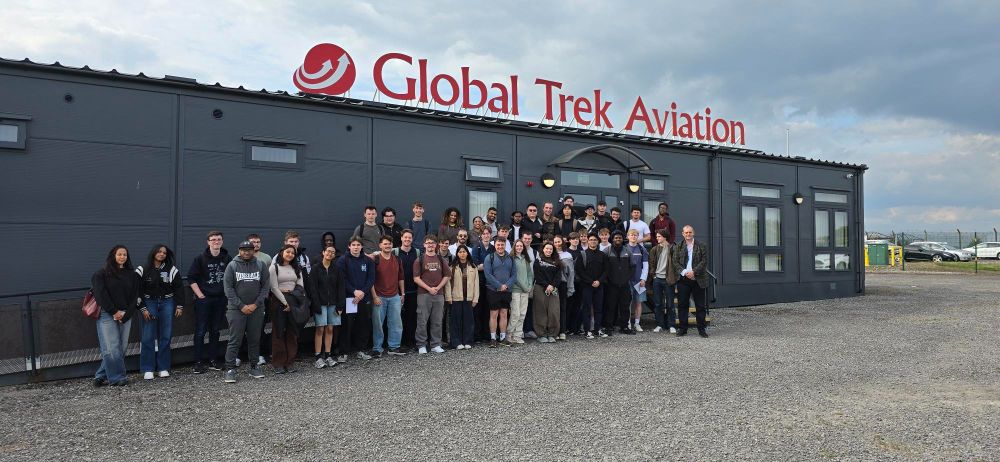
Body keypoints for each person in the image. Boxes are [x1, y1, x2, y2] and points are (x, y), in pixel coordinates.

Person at [92, 245, 140, 387]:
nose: (122, 257)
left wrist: (126, 314)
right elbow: (100, 295)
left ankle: (101, 375)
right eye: (119, 254)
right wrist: (114, 312)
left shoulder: (132, 275)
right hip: (107, 314)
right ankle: (117, 378)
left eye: (125, 254)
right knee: (112, 347)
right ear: (113, 256)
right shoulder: (101, 274)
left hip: (126, 314)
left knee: (121, 348)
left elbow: (135, 296)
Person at [221, 240, 269, 383]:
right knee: (235, 340)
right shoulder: (232, 265)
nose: (246, 252)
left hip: (256, 309)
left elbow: (265, 287)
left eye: (249, 249)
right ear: (239, 250)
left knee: (254, 339)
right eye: (243, 250)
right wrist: (241, 305)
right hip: (236, 309)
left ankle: (254, 366)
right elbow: (228, 289)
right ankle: (230, 369)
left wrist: (255, 304)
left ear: (254, 250)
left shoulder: (260, 265)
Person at [135, 244, 184, 380]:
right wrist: (143, 308)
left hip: (167, 302)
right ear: (153, 252)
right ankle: (148, 368)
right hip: (148, 302)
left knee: (166, 335)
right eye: (159, 251)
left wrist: (179, 306)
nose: (162, 254)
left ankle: (163, 367)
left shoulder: (172, 270)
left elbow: (179, 288)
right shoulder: (142, 269)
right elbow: (136, 290)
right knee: (148, 336)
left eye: (164, 252)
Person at [187, 230, 231, 374]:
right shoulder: (200, 258)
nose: (216, 242)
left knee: (215, 330)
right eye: (213, 239)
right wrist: (200, 295)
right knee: (200, 331)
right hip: (204, 300)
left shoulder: (227, 258)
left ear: (222, 241)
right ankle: (198, 362)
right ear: (208, 242)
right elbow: (191, 278)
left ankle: (213, 360)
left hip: (220, 299)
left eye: (219, 239)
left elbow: (231, 277)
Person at [335, 237, 377, 360]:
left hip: (363, 297)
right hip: (349, 299)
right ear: (349, 246)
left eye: (358, 245)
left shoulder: (368, 261)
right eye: (353, 245)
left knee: (363, 324)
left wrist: (362, 292)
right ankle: (344, 352)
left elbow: (371, 278)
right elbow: (342, 279)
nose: (356, 247)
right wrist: (354, 291)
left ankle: (361, 350)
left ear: (362, 246)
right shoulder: (343, 260)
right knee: (347, 325)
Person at [269, 245, 305, 373]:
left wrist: (292, 296)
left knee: (292, 332)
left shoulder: (296, 268)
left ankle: (290, 362)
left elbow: (300, 286)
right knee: (279, 331)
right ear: (282, 252)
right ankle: (279, 363)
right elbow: (274, 287)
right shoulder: (274, 268)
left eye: (292, 253)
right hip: (278, 302)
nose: (290, 254)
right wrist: (285, 302)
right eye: (287, 252)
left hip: (293, 300)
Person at [413, 234, 451, 354]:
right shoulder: (419, 260)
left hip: (439, 294)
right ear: (424, 245)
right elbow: (416, 278)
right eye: (428, 243)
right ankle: (421, 345)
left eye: (432, 243)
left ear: (436, 245)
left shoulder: (441, 259)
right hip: (423, 294)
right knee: (422, 320)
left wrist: (438, 288)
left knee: (437, 320)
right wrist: (429, 289)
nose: (430, 245)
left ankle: (436, 344)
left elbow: (447, 275)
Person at [307, 244, 343, 368]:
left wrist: (340, 305)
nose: (330, 253)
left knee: (330, 329)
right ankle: (318, 357)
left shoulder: (337, 269)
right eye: (328, 251)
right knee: (320, 329)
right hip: (320, 304)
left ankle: (328, 355)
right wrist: (316, 304)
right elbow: (312, 288)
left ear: (334, 255)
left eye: (332, 252)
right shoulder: (315, 268)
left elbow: (340, 287)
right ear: (323, 252)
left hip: (333, 304)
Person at [670, 225, 710, 338]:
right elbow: (675, 262)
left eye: (690, 232)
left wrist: (694, 272)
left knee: (700, 306)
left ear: (693, 233)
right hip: (683, 279)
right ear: (683, 234)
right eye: (686, 232)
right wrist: (684, 272)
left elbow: (704, 261)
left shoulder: (701, 245)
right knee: (682, 305)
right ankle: (683, 329)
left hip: (698, 279)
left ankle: (702, 329)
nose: (688, 234)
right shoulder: (678, 246)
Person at [371, 236, 406, 358]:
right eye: (385, 244)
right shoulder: (375, 259)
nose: (388, 246)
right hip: (379, 296)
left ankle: (394, 347)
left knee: (396, 324)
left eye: (389, 244)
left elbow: (401, 278)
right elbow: (370, 280)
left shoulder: (397, 259)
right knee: (378, 324)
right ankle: (377, 348)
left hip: (395, 296)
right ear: (380, 245)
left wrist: (402, 294)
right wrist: (374, 296)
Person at [483, 236, 515, 347]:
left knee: (504, 314)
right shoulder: (489, 257)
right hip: (493, 290)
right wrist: (499, 285)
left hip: (506, 290)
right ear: (495, 245)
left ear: (505, 245)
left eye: (502, 244)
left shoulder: (510, 258)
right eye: (498, 244)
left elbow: (514, 274)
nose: (500, 246)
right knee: (494, 314)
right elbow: (488, 274)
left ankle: (502, 337)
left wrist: (507, 285)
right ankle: (493, 338)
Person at [445, 245, 479, 350]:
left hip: (469, 297)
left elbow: (476, 283)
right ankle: (456, 342)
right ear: (457, 254)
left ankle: (468, 341)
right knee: (456, 321)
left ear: (467, 253)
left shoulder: (473, 266)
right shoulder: (452, 266)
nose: (462, 254)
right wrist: (448, 297)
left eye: (464, 252)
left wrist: (475, 298)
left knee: (468, 321)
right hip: (456, 297)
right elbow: (448, 283)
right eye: (460, 252)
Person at [576, 233, 609, 338]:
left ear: (598, 241)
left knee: (598, 308)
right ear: (587, 241)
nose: (593, 241)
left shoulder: (602, 255)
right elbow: (579, 270)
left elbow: (606, 270)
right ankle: (587, 330)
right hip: (586, 286)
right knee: (586, 308)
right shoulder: (582, 254)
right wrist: (591, 281)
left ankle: (597, 329)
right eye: (591, 240)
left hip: (599, 285)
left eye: (595, 240)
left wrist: (599, 281)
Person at [246, 233, 271, 366]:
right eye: (253, 242)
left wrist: (266, 293)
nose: (255, 244)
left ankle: (260, 354)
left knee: (259, 328)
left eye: (258, 242)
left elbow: (269, 277)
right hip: (245, 299)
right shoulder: (240, 257)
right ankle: (241, 355)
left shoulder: (266, 258)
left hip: (262, 299)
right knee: (243, 328)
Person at [604, 230, 636, 335]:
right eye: (616, 237)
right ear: (612, 239)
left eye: (620, 238)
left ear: (623, 239)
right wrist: (608, 279)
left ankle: (624, 327)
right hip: (611, 284)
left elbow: (633, 266)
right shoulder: (607, 251)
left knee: (625, 307)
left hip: (624, 284)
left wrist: (627, 278)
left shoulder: (628, 251)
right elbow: (603, 267)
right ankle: (609, 327)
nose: (618, 239)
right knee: (610, 306)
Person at [394, 229, 421, 348]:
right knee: (397, 318)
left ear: (412, 239)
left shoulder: (417, 252)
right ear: (401, 238)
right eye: (405, 237)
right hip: (397, 291)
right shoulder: (395, 252)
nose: (407, 239)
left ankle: (410, 341)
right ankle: (398, 342)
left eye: (409, 237)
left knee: (411, 317)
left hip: (413, 290)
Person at [532, 242, 562, 343]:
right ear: (543, 249)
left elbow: (558, 276)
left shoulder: (557, 262)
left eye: (550, 249)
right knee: (540, 311)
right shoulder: (538, 261)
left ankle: (552, 334)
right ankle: (541, 334)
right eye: (547, 248)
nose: (549, 250)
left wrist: (552, 285)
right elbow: (537, 275)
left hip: (553, 289)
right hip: (540, 288)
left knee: (554, 311)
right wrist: (546, 285)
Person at [647, 229, 677, 334]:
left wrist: (674, 277)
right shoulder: (654, 249)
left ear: (665, 237)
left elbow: (676, 264)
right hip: (657, 280)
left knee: (670, 304)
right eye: (657, 236)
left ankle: (671, 325)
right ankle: (659, 324)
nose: (657, 238)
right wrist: (654, 276)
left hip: (668, 279)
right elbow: (651, 263)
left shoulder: (672, 248)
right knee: (658, 304)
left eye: (659, 236)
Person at [508, 239, 534, 344]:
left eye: (521, 246)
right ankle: (509, 334)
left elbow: (529, 274)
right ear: (514, 247)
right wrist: (524, 287)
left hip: (525, 290)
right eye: (517, 246)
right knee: (515, 314)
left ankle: (517, 335)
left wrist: (529, 286)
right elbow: (514, 276)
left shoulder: (525, 258)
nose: (519, 247)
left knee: (522, 313)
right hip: (516, 289)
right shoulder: (511, 258)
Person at [625, 229, 650, 331]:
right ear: (628, 236)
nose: (633, 237)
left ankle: (637, 323)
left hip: (639, 281)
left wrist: (643, 279)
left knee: (639, 302)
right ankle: (627, 323)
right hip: (627, 281)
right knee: (627, 303)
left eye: (635, 235)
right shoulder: (624, 248)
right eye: (631, 235)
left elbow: (646, 266)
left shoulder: (642, 249)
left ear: (638, 237)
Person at [552, 235, 576, 341]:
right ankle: (554, 331)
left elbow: (571, 273)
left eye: (559, 241)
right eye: (555, 242)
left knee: (562, 308)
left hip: (562, 284)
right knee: (553, 309)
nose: (557, 244)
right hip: (551, 285)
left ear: (562, 242)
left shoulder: (567, 255)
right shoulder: (549, 253)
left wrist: (570, 287)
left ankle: (562, 331)